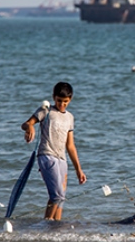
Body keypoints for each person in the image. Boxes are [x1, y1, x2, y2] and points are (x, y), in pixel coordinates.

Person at [21, 82, 87, 220]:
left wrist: (78, 170)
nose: (62, 104)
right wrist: (30, 127)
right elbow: (26, 123)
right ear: (53, 97)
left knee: (61, 198)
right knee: (57, 195)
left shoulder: (70, 117)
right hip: (47, 156)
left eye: (65, 102)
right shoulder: (46, 110)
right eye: (59, 101)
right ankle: (46, 225)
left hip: (62, 159)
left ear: (70, 99)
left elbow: (70, 146)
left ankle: (56, 227)